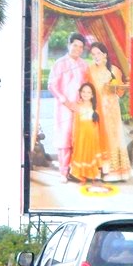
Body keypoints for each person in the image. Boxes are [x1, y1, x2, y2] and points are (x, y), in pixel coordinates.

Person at [86, 41, 132, 182]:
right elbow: (87, 90)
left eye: (98, 53)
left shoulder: (114, 70)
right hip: (97, 109)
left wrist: (123, 87)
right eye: (93, 54)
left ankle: (117, 172)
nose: (96, 56)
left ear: (105, 54)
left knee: (114, 136)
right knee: (98, 137)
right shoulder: (90, 70)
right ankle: (100, 170)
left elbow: (119, 93)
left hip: (112, 109)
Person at [47, 33, 90, 179]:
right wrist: (66, 101)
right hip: (64, 107)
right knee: (64, 138)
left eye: (81, 47)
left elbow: (87, 86)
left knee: (79, 138)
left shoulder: (84, 65)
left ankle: (76, 171)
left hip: (80, 107)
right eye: (75, 45)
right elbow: (52, 85)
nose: (78, 49)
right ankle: (64, 172)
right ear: (69, 45)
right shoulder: (60, 63)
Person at [68, 82, 105, 186]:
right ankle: (81, 176)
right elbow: (75, 123)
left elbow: (97, 124)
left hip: (92, 136)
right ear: (80, 93)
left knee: (90, 154)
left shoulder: (95, 107)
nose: (85, 94)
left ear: (92, 95)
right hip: (81, 135)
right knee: (81, 153)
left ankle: (92, 175)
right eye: (83, 91)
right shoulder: (77, 106)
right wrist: (74, 137)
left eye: (88, 92)